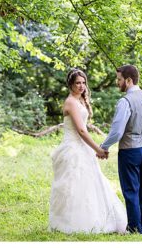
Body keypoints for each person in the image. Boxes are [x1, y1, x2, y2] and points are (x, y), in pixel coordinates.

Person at [49, 68, 127, 234]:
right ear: (70, 84)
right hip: (72, 148)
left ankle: (97, 219)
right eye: (78, 83)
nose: (81, 86)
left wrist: (95, 148)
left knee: (91, 184)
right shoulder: (70, 102)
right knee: (73, 186)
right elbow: (81, 131)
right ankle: (70, 222)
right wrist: (98, 149)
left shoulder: (81, 101)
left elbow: (85, 129)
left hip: (82, 147)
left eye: (83, 82)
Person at [100, 65, 142, 234]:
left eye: (119, 79)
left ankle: (133, 228)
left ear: (129, 80)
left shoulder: (125, 101)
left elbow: (117, 131)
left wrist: (103, 147)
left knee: (131, 190)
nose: (117, 83)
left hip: (131, 150)